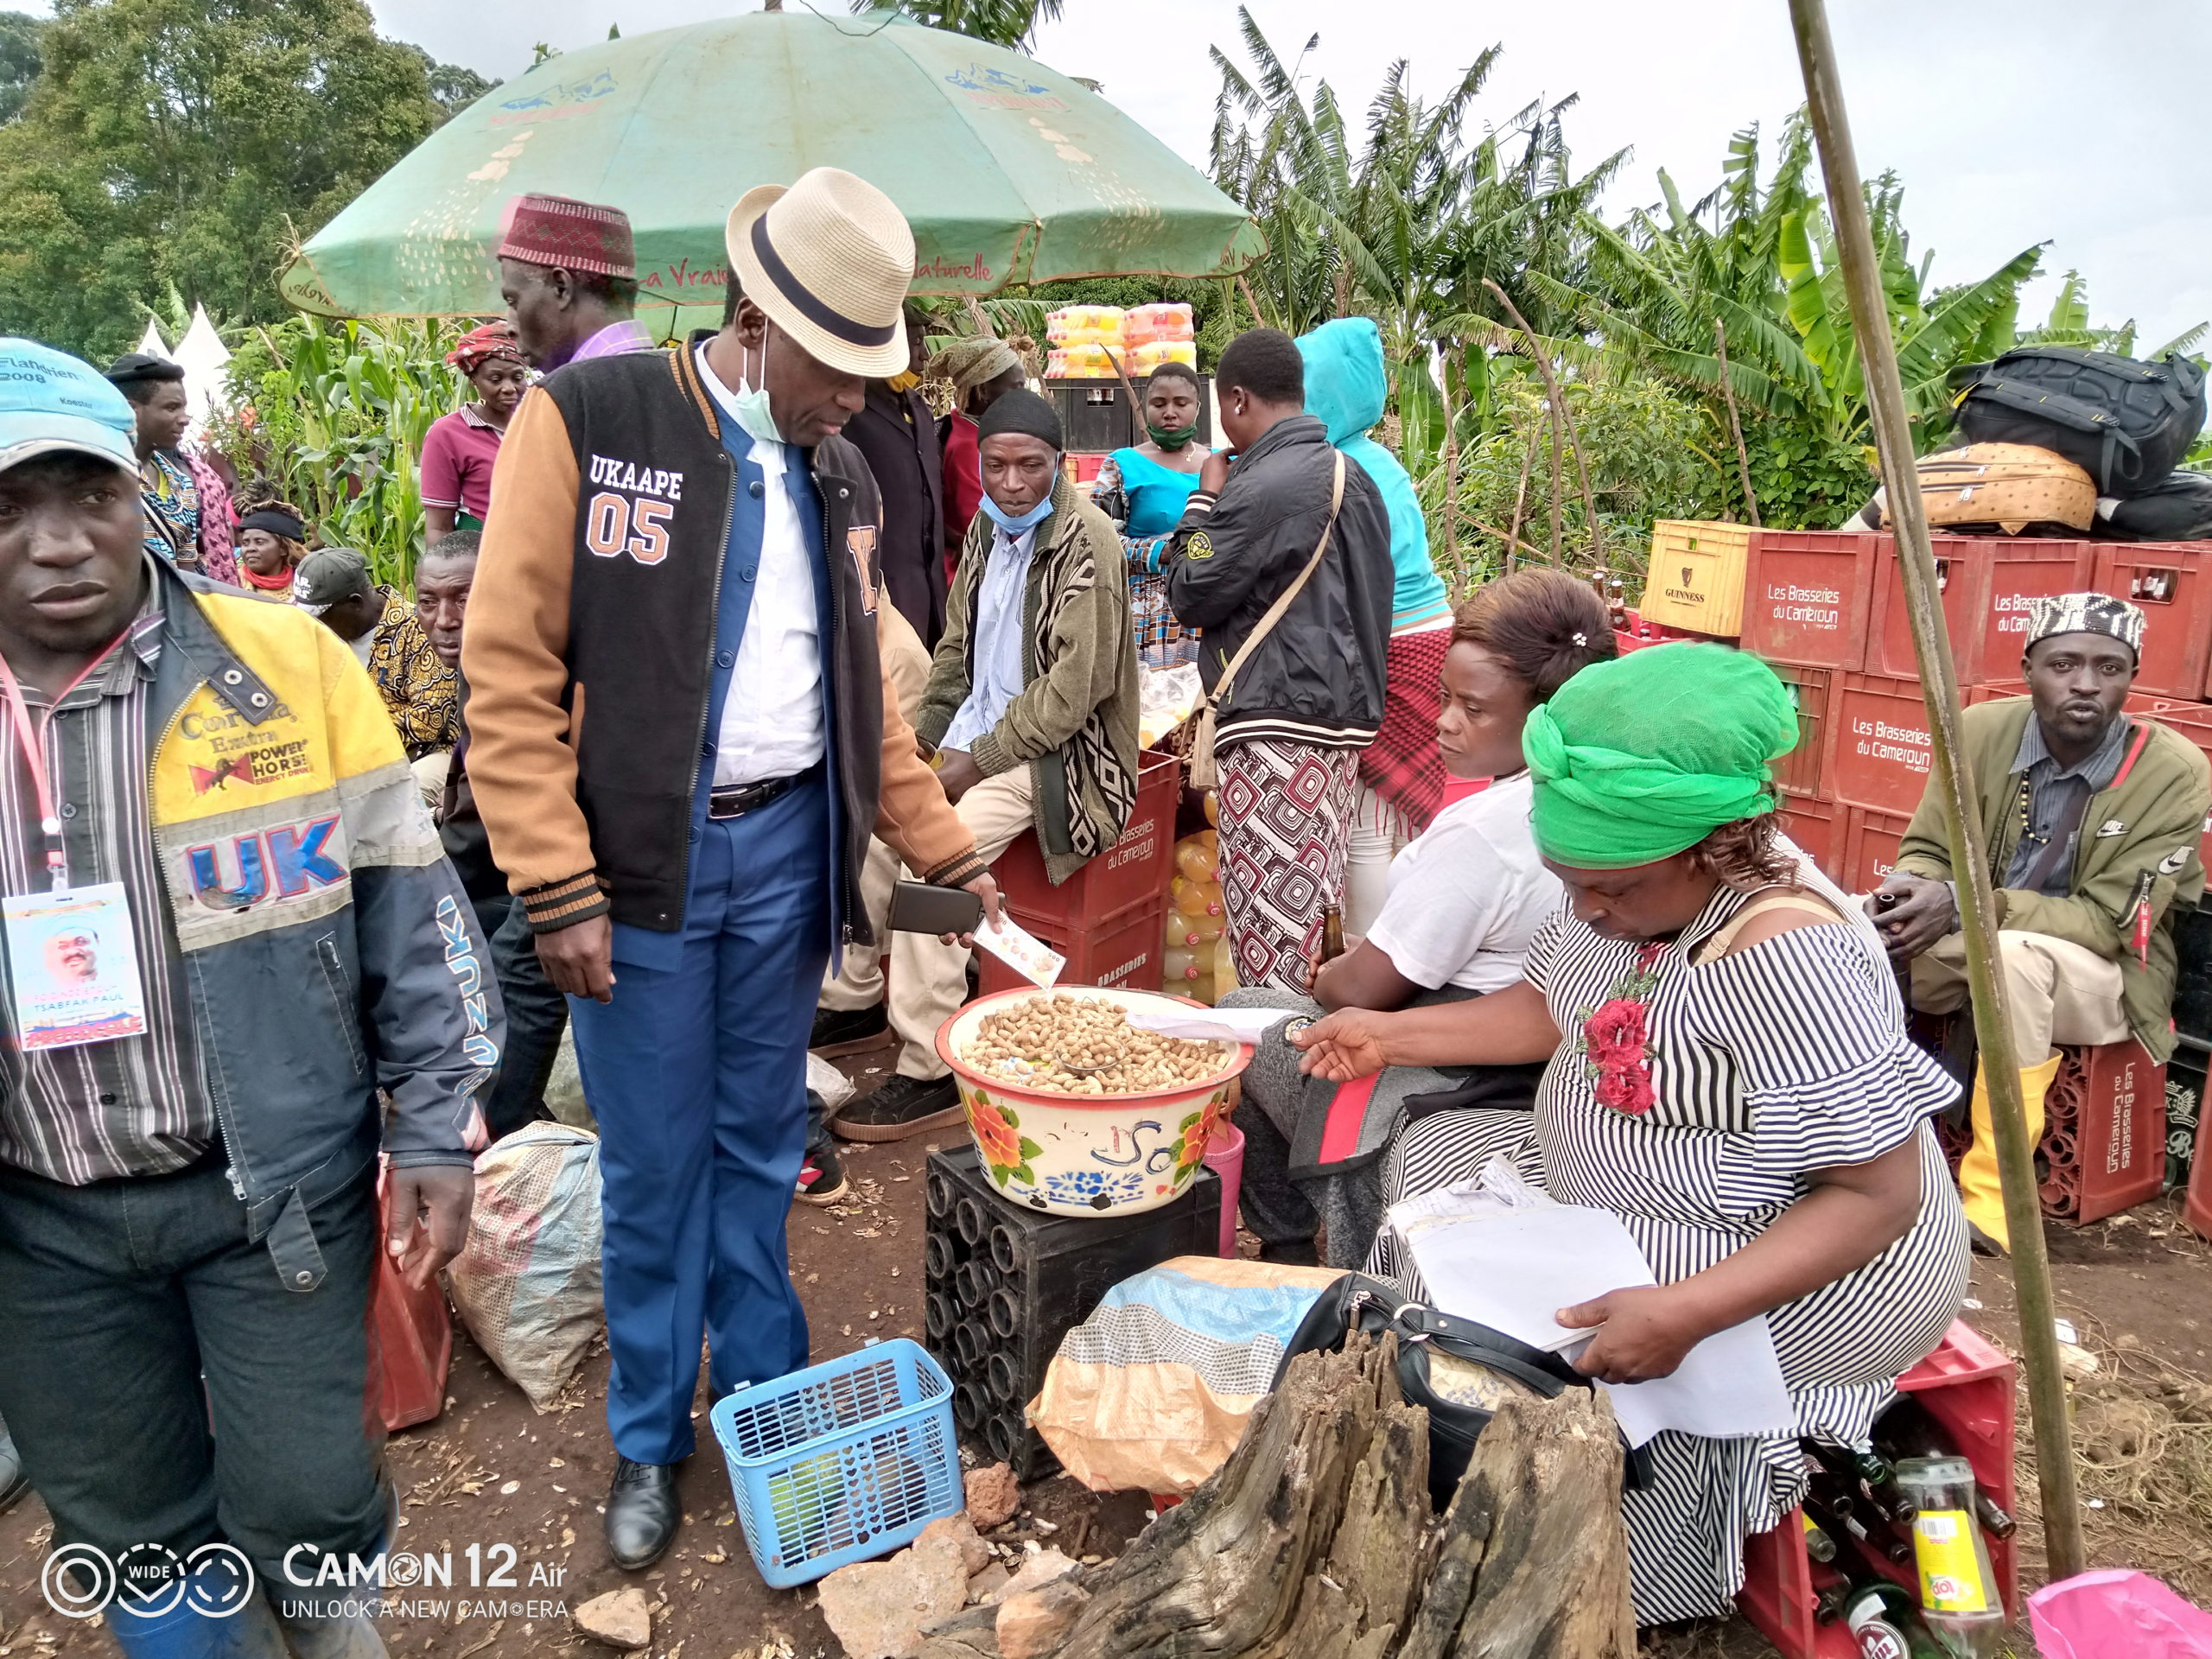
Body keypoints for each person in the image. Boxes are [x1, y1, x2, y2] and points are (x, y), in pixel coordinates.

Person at [463, 166, 1001, 1571]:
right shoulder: (588, 419)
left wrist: (941, 848)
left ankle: (765, 1394)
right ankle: (650, 1434)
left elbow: (866, 703)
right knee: (653, 1171)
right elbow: (509, 674)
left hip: (784, 859)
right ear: (756, 316)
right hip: (636, 871)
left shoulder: (830, 473)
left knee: (760, 1148)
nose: (863, 398)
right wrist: (556, 886)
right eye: (844, 364)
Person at [1292, 642, 1967, 1627]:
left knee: (1537, 1342)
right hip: (1629, 1195)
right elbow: (1549, 1009)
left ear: (1714, 847)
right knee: (1426, 1176)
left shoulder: (1791, 954)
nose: (1586, 912)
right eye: (1570, 884)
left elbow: (1875, 1196)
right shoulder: (1626, 897)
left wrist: (1686, 1311)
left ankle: (1601, 1583)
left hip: (1819, 1260)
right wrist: (1387, 1034)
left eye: (1609, 890)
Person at [0, 337, 497, 1658]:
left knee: (311, 1502)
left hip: (267, 1189)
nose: (58, 544)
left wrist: (438, 1120)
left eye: (88, 497)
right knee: (126, 1519)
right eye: (9, 509)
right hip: (36, 1220)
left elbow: (410, 908)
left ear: (137, 494)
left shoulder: (283, 665)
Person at [1224, 569, 1615, 1268]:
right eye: (1444, 698)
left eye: (1474, 708)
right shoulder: (1592, 799)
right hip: (1528, 1058)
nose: (1444, 721)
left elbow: (1363, 992)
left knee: (1243, 1017)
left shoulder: (1487, 833)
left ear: (1548, 714)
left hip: (1462, 1072)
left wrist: (1334, 977)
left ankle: (1286, 1243)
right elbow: (1545, 1005)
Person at [831, 390, 1141, 1141]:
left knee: (934, 861)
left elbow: (1075, 693)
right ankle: (857, 997)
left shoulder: (1086, 538)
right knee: (873, 819)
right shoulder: (987, 531)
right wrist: (921, 742)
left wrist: (972, 764)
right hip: (979, 737)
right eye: (996, 465)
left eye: (1030, 467)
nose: (1010, 482)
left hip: (1062, 760)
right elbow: (956, 654)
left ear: (1058, 465)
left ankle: (929, 1067)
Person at [1868, 592, 2210, 1254]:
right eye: (2065, 664)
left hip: (2107, 978)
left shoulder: (2173, 771)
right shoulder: (1979, 732)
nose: (2086, 683)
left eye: (2110, 668)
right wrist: (1909, 888)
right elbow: (1929, 846)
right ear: (2028, 668)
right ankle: (1856, 1148)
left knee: (2016, 953)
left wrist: (1972, 905)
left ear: (2132, 678)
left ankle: (1996, 1198)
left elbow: (2112, 922)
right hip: (1974, 942)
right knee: (1854, 931)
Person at [1162, 326, 1394, 993]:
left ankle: (1282, 1076)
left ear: (1235, 400)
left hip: (1274, 729)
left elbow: (1191, 580)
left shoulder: (1260, 486)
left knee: (1270, 934)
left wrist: (1202, 502)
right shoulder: (1355, 477)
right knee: (1314, 909)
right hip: (1334, 728)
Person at [1299, 319, 1455, 933]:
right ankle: (1403, 946)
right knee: (1402, 819)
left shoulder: (1338, 467)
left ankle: (1369, 953)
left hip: (1387, 640)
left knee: (1366, 813)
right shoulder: (1377, 459)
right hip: (1428, 632)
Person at [845, 304, 949, 644]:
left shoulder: (919, 407)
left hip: (931, 586)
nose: (923, 356)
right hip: (885, 585)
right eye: (915, 342)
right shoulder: (853, 412)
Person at [105, 352, 238, 582]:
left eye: (183, 408)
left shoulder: (180, 482)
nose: (185, 419)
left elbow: (186, 574)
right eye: (172, 408)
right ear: (130, 410)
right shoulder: (101, 479)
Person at [496, 193, 652, 372]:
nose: (509, 329)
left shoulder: (564, 395)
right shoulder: (680, 376)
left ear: (561, 287)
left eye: (513, 301)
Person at [927, 333, 1028, 585]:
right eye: (1016, 387)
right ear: (984, 391)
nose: (1023, 397)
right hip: (971, 578)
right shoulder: (969, 446)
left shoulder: (968, 432)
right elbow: (977, 527)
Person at [423, 321, 530, 540]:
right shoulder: (448, 434)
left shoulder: (541, 424)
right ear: (473, 379)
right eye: (495, 379)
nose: (509, 388)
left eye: (518, 378)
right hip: (479, 554)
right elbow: (438, 527)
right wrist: (442, 573)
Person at [1094, 359, 1211, 549]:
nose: (1170, 413)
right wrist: (1159, 552)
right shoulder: (1121, 465)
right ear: (1145, 407)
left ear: (1197, 408)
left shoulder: (1223, 462)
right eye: (1159, 404)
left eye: (1181, 404)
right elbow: (1097, 537)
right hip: (1147, 577)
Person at [234, 498, 308, 597]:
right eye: (245, 543)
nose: (250, 548)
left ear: (283, 548)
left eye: (259, 542)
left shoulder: (304, 585)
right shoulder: (232, 583)